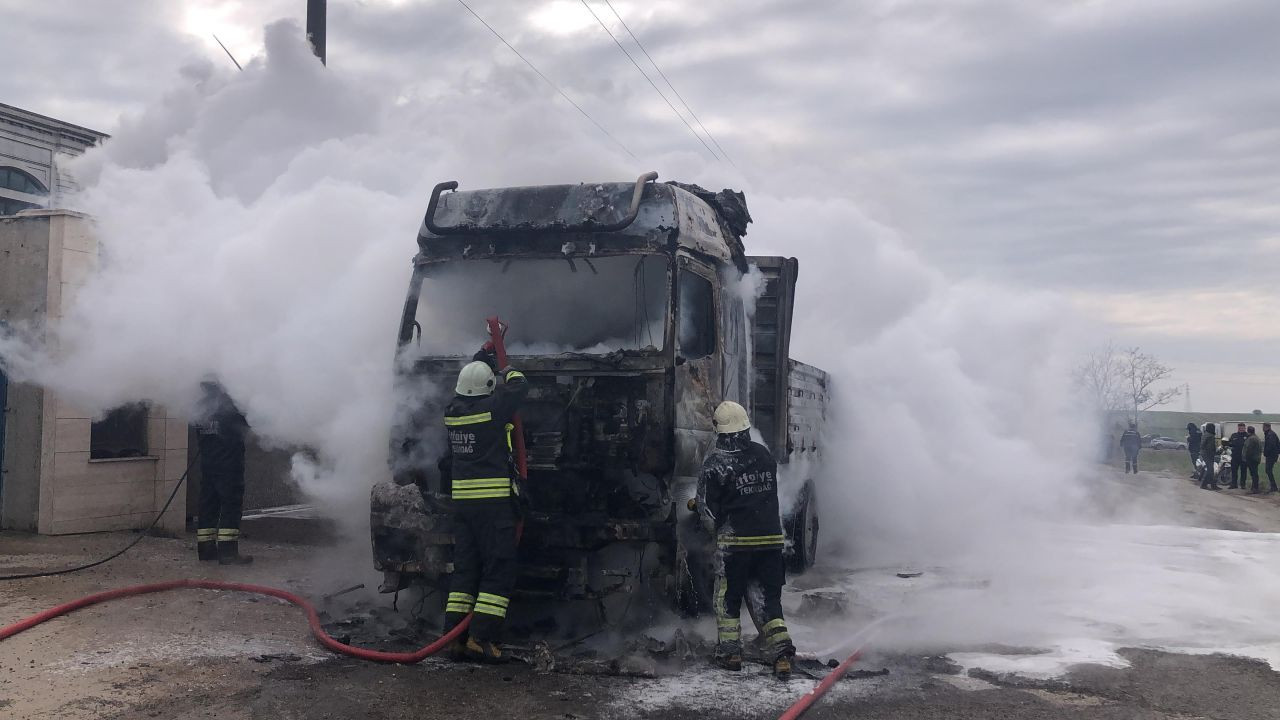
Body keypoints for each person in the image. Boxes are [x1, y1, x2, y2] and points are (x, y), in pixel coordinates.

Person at [696, 400, 796, 680]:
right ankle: (782, 654)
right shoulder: (764, 455)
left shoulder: (715, 464)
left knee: (727, 598)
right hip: (770, 542)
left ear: (720, 431)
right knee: (768, 601)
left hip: (735, 545)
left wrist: (711, 534)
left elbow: (706, 511)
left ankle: (730, 653)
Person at [441, 346, 528, 663]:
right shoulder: (493, 409)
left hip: (463, 507)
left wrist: (481, 357)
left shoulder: (451, 412)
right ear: (488, 388)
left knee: (465, 571)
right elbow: (520, 385)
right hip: (494, 507)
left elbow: (472, 383)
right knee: (498, 571)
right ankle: (482, 638)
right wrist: (507, 371)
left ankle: (454, 637)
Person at [194, 380, 252, 564]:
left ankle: (205, 550)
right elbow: (248, 425)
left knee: (208, 505)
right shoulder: (230, 406)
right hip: (229, 465)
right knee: (230, 505)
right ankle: (228, 553)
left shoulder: (200, 407)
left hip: (208, 464)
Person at [1226, 423, 1248, 489]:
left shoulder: (1247, 436)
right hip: (1235, 456)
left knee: (1243, 471)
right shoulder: (1234, 435)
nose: (1241, 429)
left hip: (1243, 457)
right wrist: (1229, 444)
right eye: (1239, 428)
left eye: (1242, 428)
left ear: (1245, 428)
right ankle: (1234, 484)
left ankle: (1243, 484)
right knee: (1234, 471)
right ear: (1238, 428)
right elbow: (1229, 443)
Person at [1199, 424, 1219, 491]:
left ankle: (1212, 485)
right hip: (1208, 454)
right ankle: (1204, 484)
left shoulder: (1205, 434)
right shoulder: (1211, 436)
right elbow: (1210, 447)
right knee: (1210, 470)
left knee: (1211, 470)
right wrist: (1214, 454)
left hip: (1203, 453)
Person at [1244, 426, 1263, 493]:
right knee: (1254, 473)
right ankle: (1254, 487)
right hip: (1256, 458)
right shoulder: (1256, 437)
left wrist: (1247, 457)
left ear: (1248, 431)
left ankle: (1255, 488)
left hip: (1252, 459)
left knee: (1254, 474)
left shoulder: (1252, 439)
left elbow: (1249, 449)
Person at [1264, 422, 1279, 493]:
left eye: (1263, 427)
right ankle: (1273, 486)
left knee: (1268, 470)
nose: (1263, 428)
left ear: (1267, 427)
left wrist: (1266, 452)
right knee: (1268, 470)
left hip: (1271, 455)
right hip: (1272, 455)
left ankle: (1274, 487)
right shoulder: (1270, 434)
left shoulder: (1270, 435)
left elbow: (1271, 445)